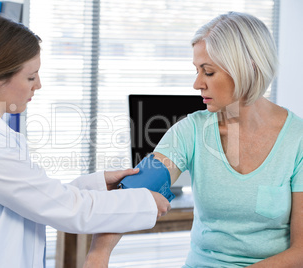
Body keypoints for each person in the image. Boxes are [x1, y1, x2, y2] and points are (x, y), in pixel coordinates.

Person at [0, 15, 171, 268]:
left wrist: (96, 184)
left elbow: (34, 197)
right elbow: (64, 209)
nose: (38, 85)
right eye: (31, 77)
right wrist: (145, 201)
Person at [84, 11, 303, 267]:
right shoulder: (191, 131)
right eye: (197, 70)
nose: (197, 83)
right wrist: (98, 255)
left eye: (208, 72)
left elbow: (300, 251)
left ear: (248, 68)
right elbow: (138, 189)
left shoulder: (297, 140)